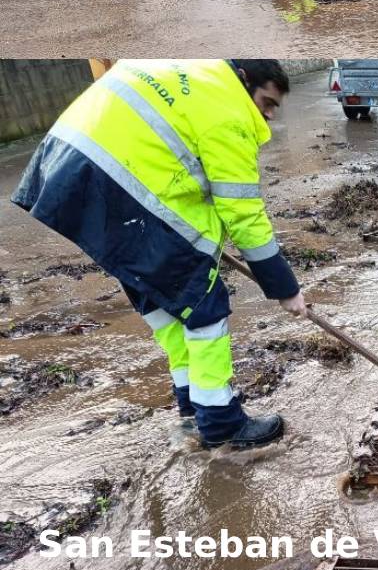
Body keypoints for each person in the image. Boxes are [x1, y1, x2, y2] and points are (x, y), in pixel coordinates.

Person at [10, 60, 305, 451]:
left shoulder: (190, 74)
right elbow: (242, 212)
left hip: (66, 173)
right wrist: (284, 288)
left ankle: (191, 408)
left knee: (168, 307)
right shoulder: (227, 108)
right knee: (205, 308)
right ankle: (221, 423)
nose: (267, 116)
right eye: (267, 103)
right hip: (119, 187)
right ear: (244, 80)